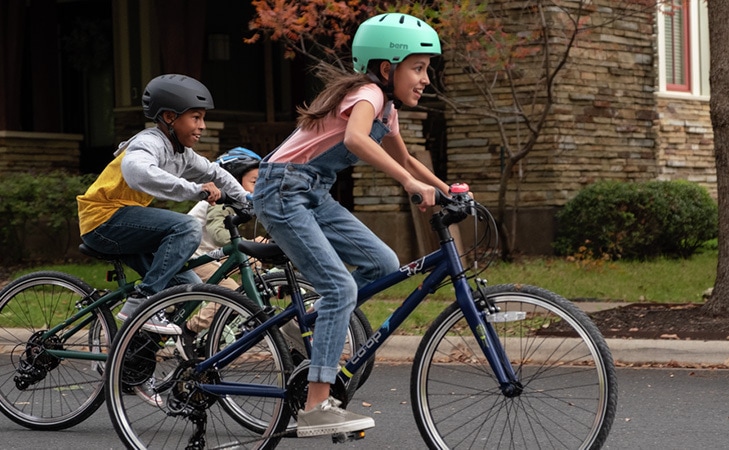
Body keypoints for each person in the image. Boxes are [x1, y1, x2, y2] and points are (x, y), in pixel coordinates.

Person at [251, 13, 450, 437]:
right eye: (418, 68)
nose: (425, 79)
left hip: (312, 191)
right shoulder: (367, 95)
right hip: (282, 189)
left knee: (383, 262)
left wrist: (448, 190)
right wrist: (409, 184)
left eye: (426, 69)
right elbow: (355, 140)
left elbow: (406, 159)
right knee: (340, 287)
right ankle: (316, 405)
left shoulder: (387, 109)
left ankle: (311, 319)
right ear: (386, 68)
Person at [77, 74, 250, 336]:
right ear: (170, 117)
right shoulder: (148, 143)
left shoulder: (182, 153)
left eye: (203, 118)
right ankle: (143, 301)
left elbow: (216, 174)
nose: (202, 125)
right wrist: (196, 191)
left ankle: (134, 357)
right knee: (187, 227)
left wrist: (247, 203)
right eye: (196, 117)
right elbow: (137, 171)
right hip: (103, 221)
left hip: (126, 226)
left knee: (188, 289)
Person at [178, 146, 264, 359]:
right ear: (234, 180)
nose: (259, 188)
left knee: (255, 263)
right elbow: (218, 234)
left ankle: (242, 314)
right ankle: (189, 330)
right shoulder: (220, 201)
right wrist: (250, 242)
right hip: (192, 255)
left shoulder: (237, 203)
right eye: (254, 182)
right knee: (232, 294)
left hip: (208, 253)